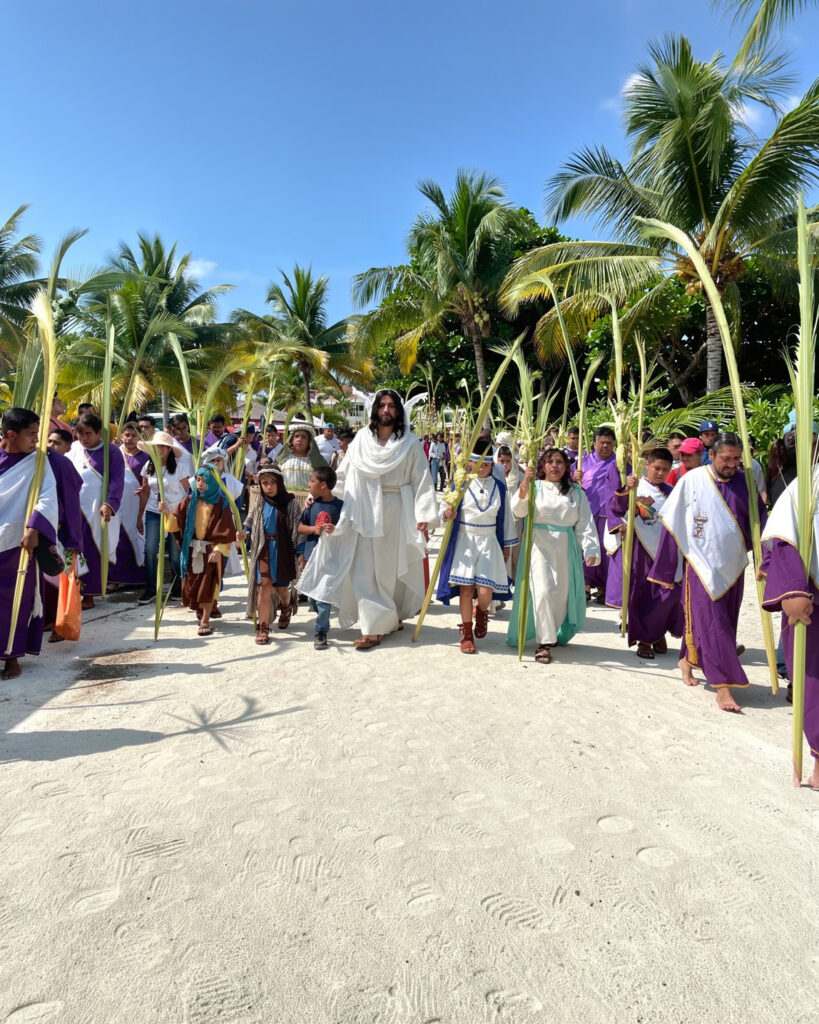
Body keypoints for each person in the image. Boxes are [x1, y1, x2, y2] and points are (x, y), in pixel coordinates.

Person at [298, 388, 439, 649]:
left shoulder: (409, 443)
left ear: (398, 412)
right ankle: (373, 627)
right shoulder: (361, 439)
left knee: (388, 571)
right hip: (362, 509)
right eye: (382, 405)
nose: (386, 410)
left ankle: (390, 616)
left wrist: (425, 516)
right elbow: (343, 475)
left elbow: (422, 480)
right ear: (374, 410)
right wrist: (320, 495)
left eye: (391, 406)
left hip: (395, 509)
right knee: (363, 570)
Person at [649, 432, 766, 712]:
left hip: (734, 565)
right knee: (713, 625)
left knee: (720, 622)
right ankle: (723, 686)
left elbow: (760, 523)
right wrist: (665, 570)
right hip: (700, 565)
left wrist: (766, 559)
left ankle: (687, 659)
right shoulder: (692, 480)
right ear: (710, 455)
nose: (732, 464)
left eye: (737, 459)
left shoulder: (745, 483)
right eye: (726, 458)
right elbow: (672, 524)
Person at [508, 448, 600, 664]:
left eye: (559, 462)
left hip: (565, 547)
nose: (555, 466)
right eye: (550, 462)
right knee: (542, 592)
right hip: (538, 545)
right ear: (543, 466)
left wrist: (591, 549)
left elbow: (584, 522)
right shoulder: (535, 487)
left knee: (560, 594)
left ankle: (552, 632)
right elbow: (518, 512)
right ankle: (544, 642)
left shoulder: (575, 492)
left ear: (566, 466)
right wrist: (524, 486)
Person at [761, 446, 819, 788]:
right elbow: (784, 538)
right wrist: (794, 589)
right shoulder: (808, 486)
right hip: (814, 599)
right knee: (816, 679)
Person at [436, 439, 518, 653]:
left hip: (489, 541)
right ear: (470, 462)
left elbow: (506, 519)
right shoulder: (461, 483)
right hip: (465, 539)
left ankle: (481, 611)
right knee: (465, 589)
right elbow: (445, 509)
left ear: (493, 465)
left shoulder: (499, 488)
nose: (481, 468)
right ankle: (466, 633)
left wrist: (507, 545)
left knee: (484, 592)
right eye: (477, 463)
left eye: (486, 465)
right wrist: (447, 513)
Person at [0, 409, 60, 680]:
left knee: (17, 600)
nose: (37, 439)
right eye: (32, 434)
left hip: (20, 541)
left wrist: (35, 527)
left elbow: (47, 496)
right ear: (11, 435)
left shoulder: (38, 461)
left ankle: (13, 657)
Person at [608, 448, 683, 658]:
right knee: (643, 593)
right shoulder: (635, 486)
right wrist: (625, 491)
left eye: (665, 469)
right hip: (642, 549)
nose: (660, 473)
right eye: (656, 468)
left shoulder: (671, 491)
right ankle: (644, 639)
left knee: (668, 594)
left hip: (667, 551)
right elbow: (615, 508)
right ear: (647, 465)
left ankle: (657, 632)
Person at [173, 466, 240, 636]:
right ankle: (203, 609)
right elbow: (176, 521)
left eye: (203, 480)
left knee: (208, 585)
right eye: (197, 480)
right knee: (193, 583)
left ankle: (205, 619)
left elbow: (225, 529)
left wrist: (218, 549)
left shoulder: (220, 503)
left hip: (210, 549)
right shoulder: (189, 500)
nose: (200, 484)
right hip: (192, 549)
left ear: (211, 482)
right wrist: (167, 513)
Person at [67, 412, 124, 608]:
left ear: (99, 432)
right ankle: (71, 593)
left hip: (97, 510)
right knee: (73, 551)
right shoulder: (74, 449)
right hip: (74, 509)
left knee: (92, 551)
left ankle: (89, 594)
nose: (83, 438)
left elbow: (117, 480)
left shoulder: (112, 452)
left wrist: (110, 503)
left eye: (88, 434)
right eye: (80, 433)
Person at [240, 464, 301, 644]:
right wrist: (243, 533)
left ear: (279, 483)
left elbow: (298, 527)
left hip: (283, 551)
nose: (268, 487)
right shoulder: (260, 501)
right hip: (264, 549)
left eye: (272, 483)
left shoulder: (290, 502)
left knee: (281, 589)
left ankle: (286, 605)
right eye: (264, 483)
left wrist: (300, 553)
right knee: (264, 586)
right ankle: (263, 627)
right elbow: (250, 521)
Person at [136, 430, 189, 605]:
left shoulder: (180, 468)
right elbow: (145, 492)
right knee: (150, 550)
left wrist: (184, 513)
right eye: (156, 446)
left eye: (162, 447)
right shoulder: (148, 466)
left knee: (175, 553)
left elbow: (189, 492)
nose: (159, 450)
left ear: (169, 449)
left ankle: (176, 588)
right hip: (153, 512)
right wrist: (139, 516)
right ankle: (151, 589)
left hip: (174, 513)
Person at [297, 466, 344, 650]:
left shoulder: (340, 506)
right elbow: (300, 526)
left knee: (323, 595)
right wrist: (312, 530)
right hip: (311, 555)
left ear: (323, 485)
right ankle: (321, 618)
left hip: (330, 557)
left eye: (312, 481)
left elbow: (345, 528)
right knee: (312, 597)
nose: (309, 484)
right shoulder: (311, 505)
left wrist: (335, 530)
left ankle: (321, 631)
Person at [573, 426, 618, 603]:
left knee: (606, 550)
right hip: (587, 510)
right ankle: (583, 586)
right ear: (594, 443)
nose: (606, 446)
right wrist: (574, 475)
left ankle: (602, 588)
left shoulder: (619, 463)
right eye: (602, 442)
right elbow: (569, 482)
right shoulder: (583, 461)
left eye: (609, 443)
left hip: (609, 513)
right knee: (586, 548)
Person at [109, 422, 148, 589]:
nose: (130, 438)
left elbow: (150, 483)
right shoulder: (114, 455)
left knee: (138, 539)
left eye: (134, 435)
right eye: (126, 435)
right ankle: (114, 580)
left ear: (139, 437)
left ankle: (137, 577)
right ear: (121, 436)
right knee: (116, 540)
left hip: (139, 505)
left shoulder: (146, 457)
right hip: (117, 504)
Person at [275, 424, 326, 509]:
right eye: (297, 436)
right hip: (284, 503)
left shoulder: (316, 461)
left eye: (304, 437)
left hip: (309, 504)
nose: (299, 439)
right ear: (292, 439)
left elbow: (324, 482)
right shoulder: (282, 459)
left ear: (309, 441)